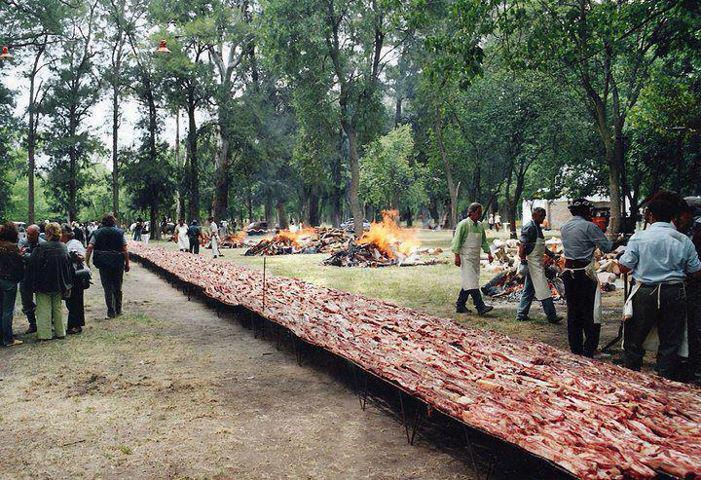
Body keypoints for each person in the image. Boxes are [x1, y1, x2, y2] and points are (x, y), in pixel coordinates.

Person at [619, 199, 701, 379]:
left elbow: (624, 267)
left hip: (645, 291)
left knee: (635, 337)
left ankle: (631, 377)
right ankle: (664, 378)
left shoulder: (639, 237)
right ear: (673, 216)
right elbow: (696, 271)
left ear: (650, 215)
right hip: (674, 292)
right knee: (670, 340)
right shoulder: (683, 240)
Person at [560, 198, 614, 358]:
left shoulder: (565, 227)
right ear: (586, 211)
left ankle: (575, 348)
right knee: (590, 311)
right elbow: (607, 247)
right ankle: (590, 348)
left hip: (569, 272)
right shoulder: (590, 227)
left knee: (573, 310)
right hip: (584, 273)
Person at [25, 222, 73, 341]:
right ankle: (60, 331)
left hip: (44, 283)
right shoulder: (63, 246)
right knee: (57, 307)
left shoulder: (42, 247)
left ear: (47, 233)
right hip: (59, 281)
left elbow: (33, 263)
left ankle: (45, 334)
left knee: (43, 308)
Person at [516, 207, 562, 324]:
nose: (543, 218)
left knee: (529, 290)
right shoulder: (530, 227)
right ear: (534, 216)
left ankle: (521, 314)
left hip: (538, 263)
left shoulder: (538, 228)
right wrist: (522, 259)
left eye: (544, 216)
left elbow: (541, 246)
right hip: (532, 263)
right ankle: (552, 316)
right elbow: (522, 244)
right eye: (541, 216)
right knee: (544, 289)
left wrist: (552, 255)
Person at [451, 203, 494, 315]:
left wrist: (489, 253)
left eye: (480, 212)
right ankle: (480, 307)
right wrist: (457, 256)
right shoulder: (463, 224)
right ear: (471, 212)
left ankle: (460, 305)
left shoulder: (480, 225)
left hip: (475, 258)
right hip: (465, 257)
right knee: (472, 282)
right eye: (478, 212)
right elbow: (457, 241)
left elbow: (483, 241)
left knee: (469, 282)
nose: (480, 215)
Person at [674, 203, 701, 384]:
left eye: (680, 217)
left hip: (696, 284)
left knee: (696, 326)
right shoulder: (681, 234)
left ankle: (696, 366)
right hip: (687, 284)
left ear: (689, 214)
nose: (678, 221)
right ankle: (686, 363)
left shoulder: (697, 232)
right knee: (684, 326)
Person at [86, 214, 129, 319]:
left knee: (107, 288)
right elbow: (125, 249)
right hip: (118, 262)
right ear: (113, 222)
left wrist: (87, 261)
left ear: (103, 222)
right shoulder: (120, 233)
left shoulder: (97, 233)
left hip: (103, 263)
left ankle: (111, 311)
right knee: (118, 286)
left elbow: (90, 247)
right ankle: (118, 309)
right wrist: (127, 263)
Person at [0, 223, 25, 346]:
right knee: (8, 310)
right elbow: (18, 266)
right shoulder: (13, 247)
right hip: (9, 281)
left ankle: (2, 336)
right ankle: (8, 339)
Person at [17, 224, 45, 333]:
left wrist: (27, 256)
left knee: (43, 300)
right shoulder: (22, 242)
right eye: (27, 233)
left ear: (37, 234)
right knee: (26, 302)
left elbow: (40, 259)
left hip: (39, 276)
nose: (28, 236)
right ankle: (32, 324)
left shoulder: (43, 243)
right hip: (25, 276)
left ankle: (46, 321)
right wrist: (32, 257)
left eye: (31, 234)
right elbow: (19, 255)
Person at [61, 224, 87, 335]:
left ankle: (76, 325)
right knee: (71, 301)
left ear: (65, 234)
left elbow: (81, 257)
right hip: (70, 275)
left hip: (76, 275)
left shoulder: (74, 243)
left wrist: (74, 256)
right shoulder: (65, 244)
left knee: (75, 301)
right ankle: (74, 324)